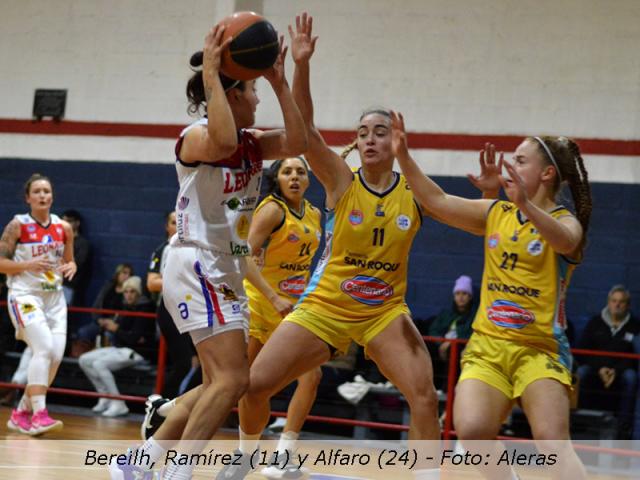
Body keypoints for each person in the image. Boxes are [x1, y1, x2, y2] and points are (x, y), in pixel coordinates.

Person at [216, 13, 440, 480]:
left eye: (381, 131)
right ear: (355, 147)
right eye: (363, 134)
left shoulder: (416, 191)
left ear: (396, 139)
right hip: (326, 305)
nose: (371, 139)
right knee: (254, 388)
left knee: (423, 394)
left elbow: (462, 211)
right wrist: (300, 67)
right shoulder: (340, 180)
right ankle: (245, 457)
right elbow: (306, 129)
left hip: (383, 311)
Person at [109, 21, 306, 480]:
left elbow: (299, 140)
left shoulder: (254, 144)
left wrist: (281, 81)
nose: (257, 99)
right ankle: (176, 470)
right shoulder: (196, 135)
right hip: (197, 259)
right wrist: (214, 73)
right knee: (233, 381)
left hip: (223, 265)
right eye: (254, 90)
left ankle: (142, 463)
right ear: (233, 95)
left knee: (226, 382)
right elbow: (221, 141)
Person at [393, 113, 591, 479]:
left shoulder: (566, 221)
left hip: (540, 349)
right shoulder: (496, 212)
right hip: (488, 346)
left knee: (551, 443)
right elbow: (436, 200)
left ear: (546, 174)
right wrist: (403, 156)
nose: (508, 164)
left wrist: (526, 206)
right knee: (472, 432)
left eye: (519, 160)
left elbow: (567, 241)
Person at [243, 157, 322, 477]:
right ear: (277, 178)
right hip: (260, 303)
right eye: (287, 172)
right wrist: (272, 296)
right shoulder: (272, 209)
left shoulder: (315, 214)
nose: (294, 177)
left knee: (311, 376)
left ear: (308, 180)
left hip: (293, 309)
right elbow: (243, 256)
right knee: (240, 384)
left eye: (300, 172)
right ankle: (172, 412)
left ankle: (283, 454)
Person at [0, 173, 76, 435]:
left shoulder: (63, 228)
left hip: (54, 298)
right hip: (25, 295)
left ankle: (22, 412)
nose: (43, 195)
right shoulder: (17, 225)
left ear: (52, 196)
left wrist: (71, 266)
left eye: (47, 191)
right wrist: (27, 265)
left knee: (54, 356)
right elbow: (1, 263)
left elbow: (69, 259)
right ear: (28, 198)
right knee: (42, 348)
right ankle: (40, 414)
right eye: (37, 191)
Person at [79, 275, 155, 417]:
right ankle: (105, 397)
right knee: (84, 359)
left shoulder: (145, 309)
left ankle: (118, 403)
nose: (128, 295)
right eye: (126, 291)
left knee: (99, 364)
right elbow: (127, 336)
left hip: (138, 352)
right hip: (120, 347)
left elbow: (133, 338)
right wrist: (121, 332)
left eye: (132, 291)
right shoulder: (125, 307)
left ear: (138, 293)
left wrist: (117, 330)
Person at [146, 211, 197, 399]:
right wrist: (184, 282)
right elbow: (152, 283)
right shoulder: (165, 249)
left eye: (181, 222)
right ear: (167, 227)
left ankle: (183, 404)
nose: (178, 226)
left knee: (204, 363)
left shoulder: (193, 249)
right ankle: (162, 406)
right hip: (170, 309)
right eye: (174, 222)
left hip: (192, 309)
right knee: (183, 363)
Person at [577, 285, 639, 439]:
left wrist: (615, 371)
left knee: (631, 377)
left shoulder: (636, 326)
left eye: (621, 302)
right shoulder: (595, 322)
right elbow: (583, 351)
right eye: (614, 301)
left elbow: (633, 357)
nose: (617, 305)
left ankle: (624, 430)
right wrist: (601, 368)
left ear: (628, 305)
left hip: (621, 370)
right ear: (608, 302)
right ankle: (581, 423)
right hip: (596, 369)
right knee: (581, 373)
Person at [427, 275, 476, 389]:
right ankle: (430, 387)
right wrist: (441, 343)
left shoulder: (474, 316)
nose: (461, 297)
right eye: (458, 294)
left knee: (454, 349)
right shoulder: (446, 313)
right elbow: (433, 330)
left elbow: (470, 334)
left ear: (470, 297)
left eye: (464, 294)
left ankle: (446, 389)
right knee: (427, 347)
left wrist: (450, 343)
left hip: (458, 348)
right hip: (441, 345)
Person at [72, 263, 132, 354]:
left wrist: (113, 322)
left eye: (129, 274)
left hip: (116, 325)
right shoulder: (108, 287)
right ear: (118, 274)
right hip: (100, 321)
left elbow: (128, 311)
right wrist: (99, 319)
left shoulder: (130, 291)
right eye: (124, 273)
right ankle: (79, 359)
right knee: (83, 332)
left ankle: (108, 359)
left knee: (109, 335)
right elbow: (96, 305)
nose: (127, 276)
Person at [60, 209, 91, 307]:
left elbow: (77, 265)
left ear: (77, 223)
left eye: (68, 221)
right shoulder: (58, 241)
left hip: (68, 286)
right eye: (63, 221)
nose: (64, 224)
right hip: (51, 284)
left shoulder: (83, 244)